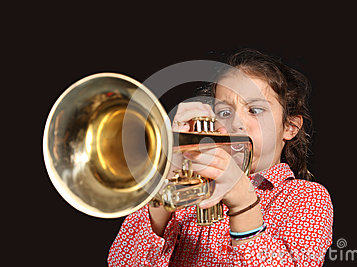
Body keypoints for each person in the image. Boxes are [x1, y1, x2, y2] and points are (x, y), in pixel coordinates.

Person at [108, 49, 333, 266]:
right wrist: (166, 183)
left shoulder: (306, 198)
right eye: (224, 113)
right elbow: (121, 262)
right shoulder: (184, 190)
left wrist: (244, 203)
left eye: (254, 110)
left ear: (290, 127)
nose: (235, 123)